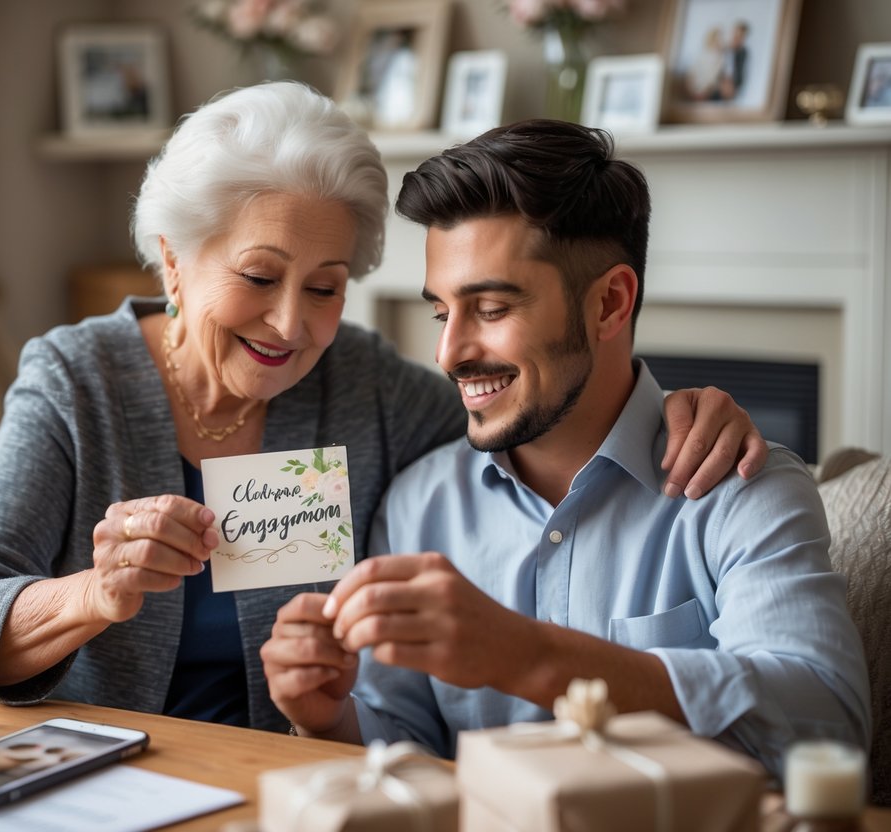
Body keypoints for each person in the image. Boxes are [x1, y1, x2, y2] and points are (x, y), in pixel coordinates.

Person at [0, 82, 766, 735]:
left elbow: (532, 414)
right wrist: (92, 595)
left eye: (325, 286)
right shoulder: (76, 380)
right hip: (105, 777)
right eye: (257, 277)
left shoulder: (368, 387)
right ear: (173, 261)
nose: (291, 324)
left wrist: (678, 405)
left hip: (290, 787)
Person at [260, 119, 871, 776]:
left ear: (609, 303)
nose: (448, 352)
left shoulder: (742, 487)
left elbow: (829, 735)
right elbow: (402, 738)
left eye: (490, 309)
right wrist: (328, 715)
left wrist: (527, 655)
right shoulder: (417, 504)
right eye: (441, 313)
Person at [718, 20, 750, 101]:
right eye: (735, 33)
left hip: (733, 84)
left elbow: (740, 73)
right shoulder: (723, 48)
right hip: (719, 83)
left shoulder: (743, 52)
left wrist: (732, 85)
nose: (736, 37)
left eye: (740, 36)